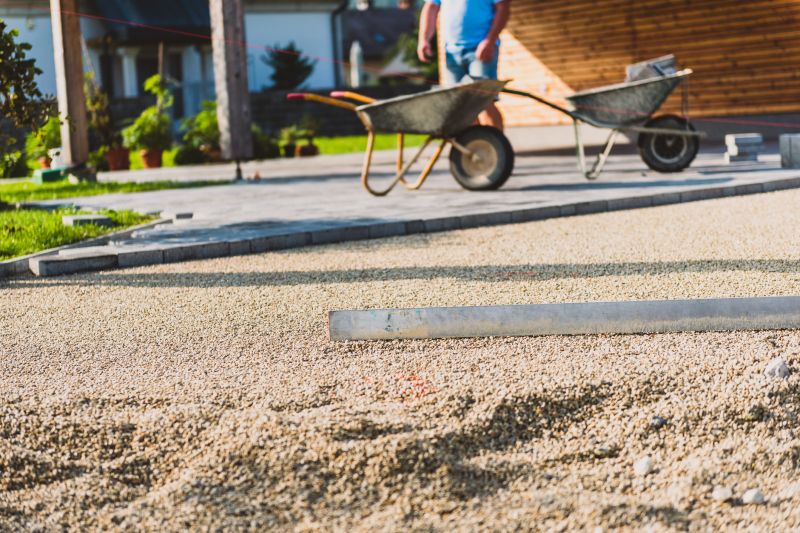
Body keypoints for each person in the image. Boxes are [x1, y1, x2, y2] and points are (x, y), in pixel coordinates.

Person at [417, 0, 510, 130]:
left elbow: (503, 7)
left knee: (484, 101)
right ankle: (475, 146)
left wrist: (490, 41)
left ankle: (498, 146)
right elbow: (431, 7)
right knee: (461, 107)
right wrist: (424, 39)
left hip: (480, 48)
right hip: (451, 52)